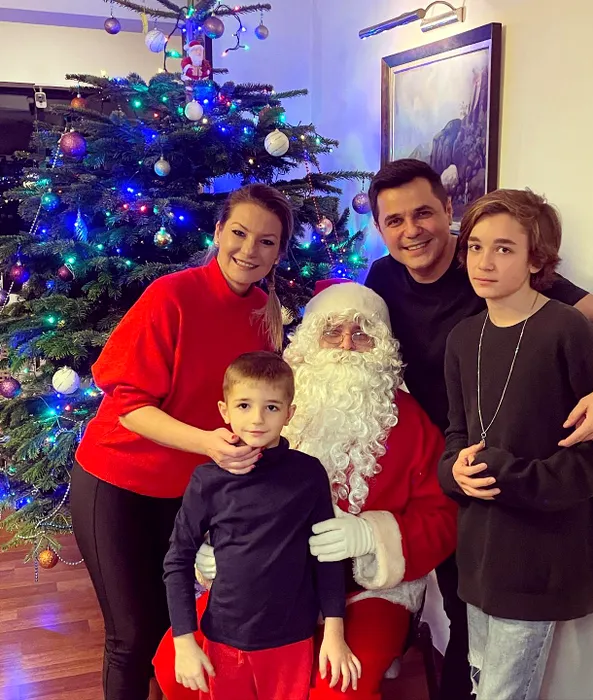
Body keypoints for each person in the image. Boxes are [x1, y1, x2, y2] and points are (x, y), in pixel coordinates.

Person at [364, 159, 593, 699]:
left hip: (529, 520)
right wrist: (447, 468)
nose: (411, 230)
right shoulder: (390, 284)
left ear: (449, 210)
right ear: (380, 227)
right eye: (394, 220)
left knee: (503, 673)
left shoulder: (550, 317)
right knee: (468, 629)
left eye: (423, 213)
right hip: (457, 483)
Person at [155, 280, 458, 700]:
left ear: (382, 347)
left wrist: (372, 535)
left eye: (362, 333)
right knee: (177, 670)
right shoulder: (266, 409)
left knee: (337, 689)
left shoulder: (411, 422)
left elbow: (444, 517)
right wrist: (214, 548)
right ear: (311, 339)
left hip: (365, 592)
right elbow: (217, 499)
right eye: (333, 331)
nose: (346, 345)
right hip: (261, 584)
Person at [70, 183, 293, 700]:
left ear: (279, 253)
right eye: (238, 233)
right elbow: (128, 407)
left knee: (168, 625)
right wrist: (208, 444)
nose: (249, 250)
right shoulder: (171, 296)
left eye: (266, 241)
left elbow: (255, 404)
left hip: (185, 492)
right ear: (218, 232)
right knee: (130, 636)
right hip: (117, 481)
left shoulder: (265, 315)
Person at [437, 188, 593, 699]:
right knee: (482, 680)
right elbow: (457, 434)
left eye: (504, 248)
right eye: (476, 246)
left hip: (538, 554)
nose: (484, 262)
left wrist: (520, 479)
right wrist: (453, 472)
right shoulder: (462, 338)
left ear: (537, 260)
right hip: (478, 553)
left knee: (504, 692)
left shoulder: (567, 330)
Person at [164, 352, 360, 700]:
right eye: (244, 405)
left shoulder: (308, 474)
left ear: (289, 413)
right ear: (224, 410)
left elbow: (326, 555)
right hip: (224, 638)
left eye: (271, 407)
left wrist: (334, 631)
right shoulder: (207, 481)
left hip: (291, 640)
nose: (257, 418)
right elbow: (178, 559)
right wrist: (184, 641)